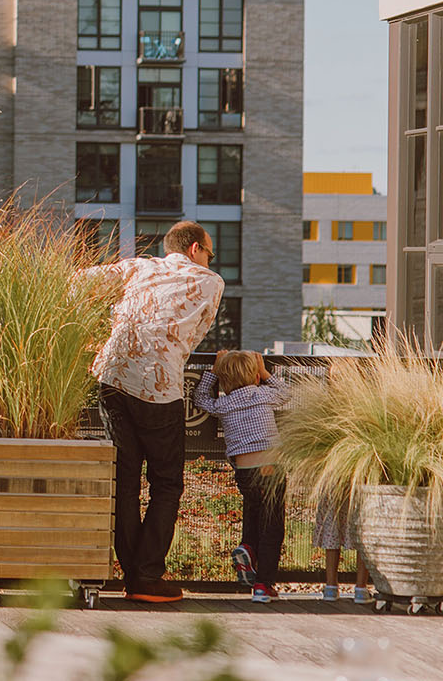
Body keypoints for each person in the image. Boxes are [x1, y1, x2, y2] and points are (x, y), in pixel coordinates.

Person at [77, 220, 223, 603]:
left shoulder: (139, 266)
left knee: (125, 479)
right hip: (158, 388)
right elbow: (195, 335)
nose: (210, 259)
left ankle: (132, 572)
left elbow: (77, 282)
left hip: (111, 375)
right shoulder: (210, 282)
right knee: (167, 483)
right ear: (195, 249)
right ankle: (145, 577)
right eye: (209, 252)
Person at [193, 349, 290, 603]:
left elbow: (201, 398)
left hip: (244, 473)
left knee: (253, 511)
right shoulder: (262, 394)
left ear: (224, 381)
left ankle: (247, 547)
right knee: (273, 527)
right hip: (271, 468)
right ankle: (263, 585)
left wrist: (212, 372)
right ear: (256, 377)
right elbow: (286, 394)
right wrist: (266, 371)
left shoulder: (223, 404)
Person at [312, 360, 372, 604]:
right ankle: (360, 587)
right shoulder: (368, 407)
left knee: (331, 529)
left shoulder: (325, 408)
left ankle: (330, 586)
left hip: (333, 474)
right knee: (361, 529)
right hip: (359, 474)